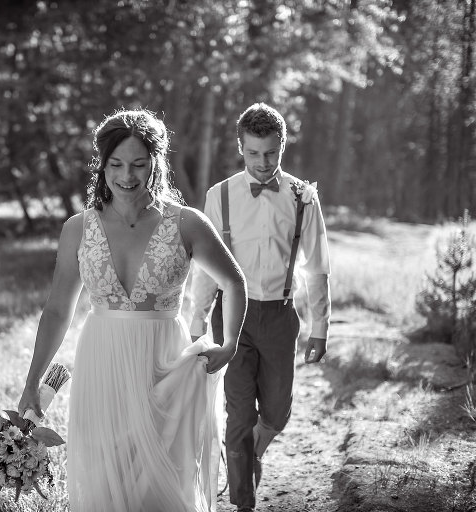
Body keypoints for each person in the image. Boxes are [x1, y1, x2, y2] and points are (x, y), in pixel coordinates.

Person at [17, 108, 248, 512]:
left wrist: (229, 344)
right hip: (101, 363)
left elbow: (234, 282)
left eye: (139, 164)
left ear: (156, 163)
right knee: (106, 470)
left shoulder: (186, 223)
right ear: (101, 166)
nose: (127, 176)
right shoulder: (78, 228)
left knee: (161, 477)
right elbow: (57, 310)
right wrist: (32, 381)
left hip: (163, 367)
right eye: (117, 164)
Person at [189, 102, 332, 512]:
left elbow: (318, 267)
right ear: (240, 147)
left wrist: (320, 327)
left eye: (270, 152)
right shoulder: (220, 196)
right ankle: (242, 501)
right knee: (237, 413)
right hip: (231, 316)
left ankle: (254, 449)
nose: (262, 162)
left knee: (276, 411)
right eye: (253, 152)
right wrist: (197, 320)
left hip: (280, 316)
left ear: (282, 147)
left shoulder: (303, 197)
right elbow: (205, 268)